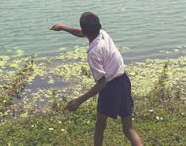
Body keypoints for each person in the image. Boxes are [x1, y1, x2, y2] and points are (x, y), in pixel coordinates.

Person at [50, 12, 143, 146]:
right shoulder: (103, 34)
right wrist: (63, 27)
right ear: (100, 26)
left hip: (110, 88)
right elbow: (82, 33)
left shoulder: (93, 53)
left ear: (84, 29)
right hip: (123, 81)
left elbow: (102, 82)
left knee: (100, 126)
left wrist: (79, 100)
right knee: (128, 128)